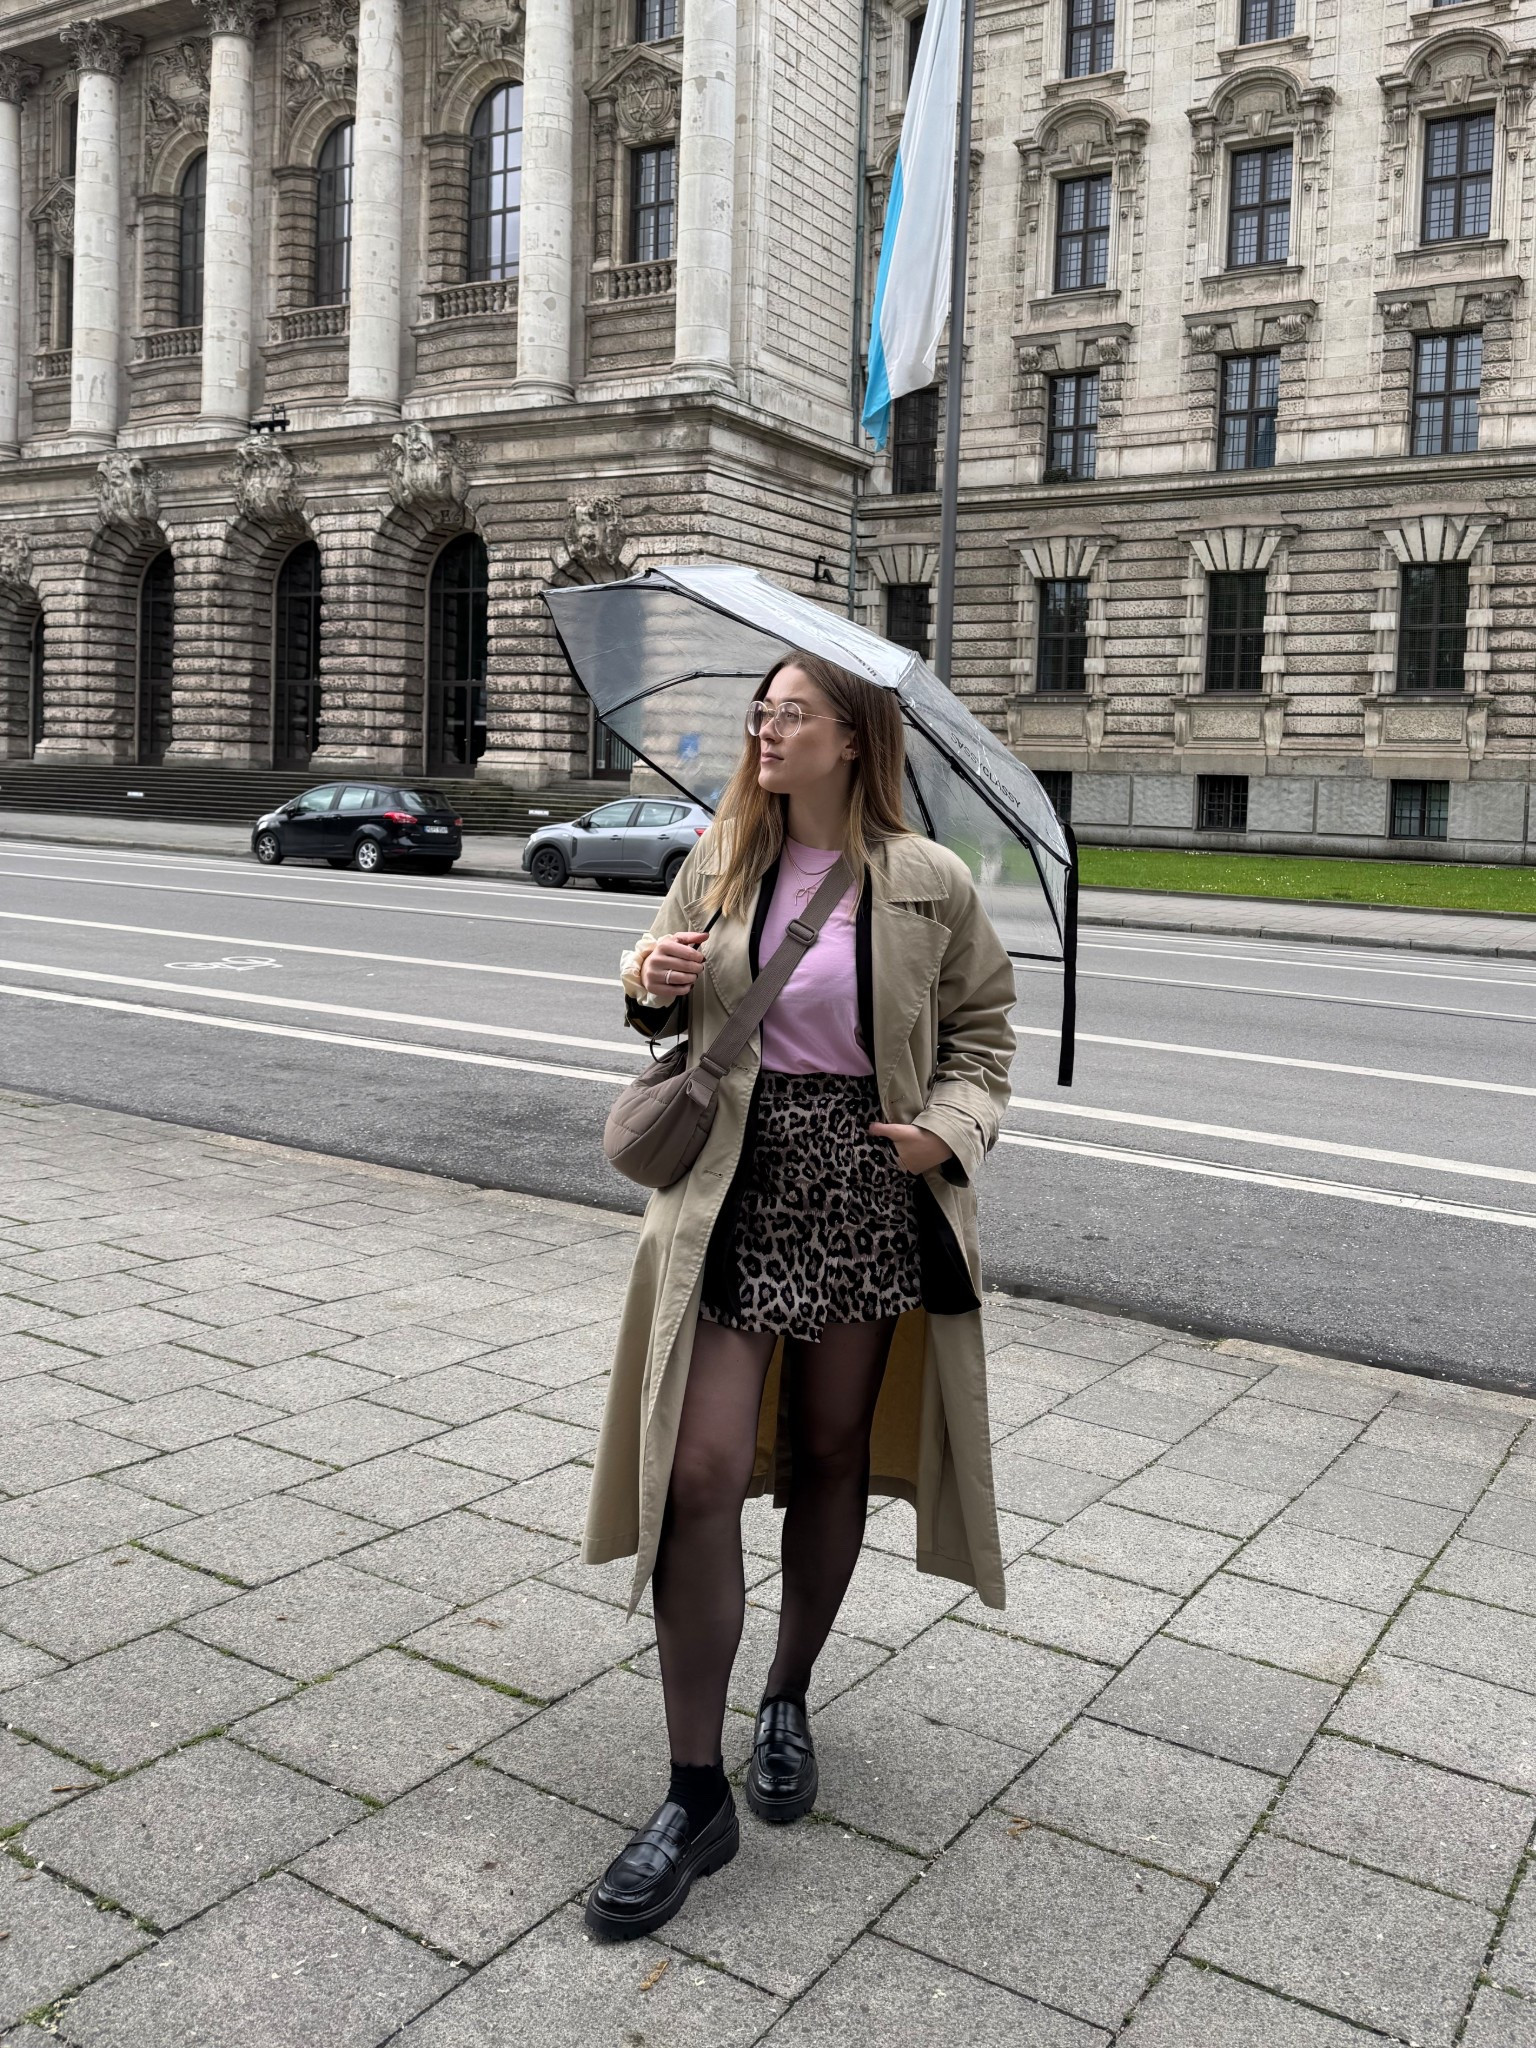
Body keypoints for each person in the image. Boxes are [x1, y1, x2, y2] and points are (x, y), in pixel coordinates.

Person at [581, 648, 1017, 1941]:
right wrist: (644, 981)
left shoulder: (929, 881)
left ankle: (785, 1697)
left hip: (867, 1182)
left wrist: (947, 1133)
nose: (765, 733)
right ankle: (691, 1792)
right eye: (759, 713)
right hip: (736, 1181)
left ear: (854, 737)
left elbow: (985, 1037)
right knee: (698, 1470)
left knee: (831, 1456)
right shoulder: (722, 859)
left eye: (792, 715)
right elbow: (660, 1000)